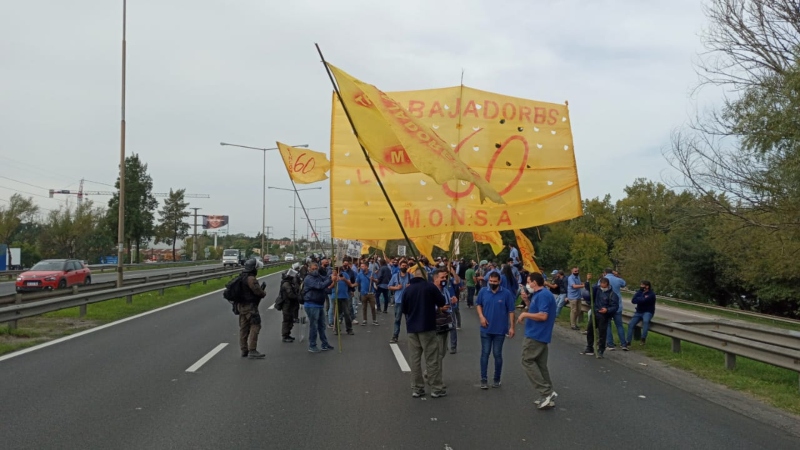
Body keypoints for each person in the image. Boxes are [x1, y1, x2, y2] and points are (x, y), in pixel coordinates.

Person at [402, 264, 448, 398]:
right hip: (427, 326)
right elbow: (441, 302)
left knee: (415, 359)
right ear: (425, 276)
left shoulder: (408, 290)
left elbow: (404, 309)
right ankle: (436, 388)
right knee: (432, 358)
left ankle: (417, 388)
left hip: (412, 328)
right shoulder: (430, 287)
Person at [517, 272, 558, 409]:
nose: (528, 284)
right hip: (539, 334)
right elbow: (536, 310)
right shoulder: (538, 295)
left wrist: (524, 314)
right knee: (540, 365)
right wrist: (527, 301)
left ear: (534, 282)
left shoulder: (544, 295)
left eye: (529, 281)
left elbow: (543, 316)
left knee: (527, 360)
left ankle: (546, 392)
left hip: (536, 335)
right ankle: (547, 395)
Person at [475, 272, 516, 389]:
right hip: (486, 329)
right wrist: (481, 316)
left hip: (500, 330)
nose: (492, 283)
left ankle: (497, 378)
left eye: (495, 281)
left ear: (499, 281)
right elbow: (478, 304)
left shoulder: (506, 294)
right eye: (490, 281)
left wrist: (512, 327)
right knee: (485, 353)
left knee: (497, 354)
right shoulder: (483, 291)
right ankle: (483, 379)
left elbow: (511, 311)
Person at [236, 259, 267, 359]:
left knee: (243, 328)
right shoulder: (251, 279)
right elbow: (258, 291)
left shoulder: (241, 277)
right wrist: (263, 292)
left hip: (241, 306)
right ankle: (252, 350)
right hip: (250, 306)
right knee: (255, 325)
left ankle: (244, 350)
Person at [581, 277, 619, 358]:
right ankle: (589, 347)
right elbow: (588, 288)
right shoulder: (597, 290)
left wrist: (607, 310)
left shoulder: (612, 294)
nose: (601, 286)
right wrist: (588, 280)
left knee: (602, 333)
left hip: (603, 316)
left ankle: (601, 350)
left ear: (607, 284)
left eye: (603, 284)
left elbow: (615, 307)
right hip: (595, 313)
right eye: (600, 284)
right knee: (590, 330)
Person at [302, 261, 335, 353]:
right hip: (311, 304)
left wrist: (332, 276)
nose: (315, 270)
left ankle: (324, 344)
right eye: (313, 269)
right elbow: (319, 286)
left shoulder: (318, 276)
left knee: (322, 326)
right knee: (314, 326)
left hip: (319, 304)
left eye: (316, 269)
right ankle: (312, 345)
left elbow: (325, 279)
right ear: (309, 269)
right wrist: (330, 279)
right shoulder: (308, 278)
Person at [601, 268, 627, 350]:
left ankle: (610, 344)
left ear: (605, 273)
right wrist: (617, 275)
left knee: (608, 325)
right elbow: (624, 283)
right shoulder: (618, 280)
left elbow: (599, 288)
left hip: (607, 306)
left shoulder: (603, 280)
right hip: (618, 306)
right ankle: (623, 344)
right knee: (619, 325)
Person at [434, 268, 459, 355]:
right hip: (437, 320)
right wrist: (439, 308)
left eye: (445, 277)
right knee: (438, 351)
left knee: (452, 328)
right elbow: (428, 305)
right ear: (435, 279)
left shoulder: (445, 290)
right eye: (442, 277)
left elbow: (449, 304)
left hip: (447, 317)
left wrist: (453, 301)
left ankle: (452, 346)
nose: (444, 279)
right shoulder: (432, 291)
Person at [626, 280, 656, 346]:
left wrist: (640, 299)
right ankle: (628, 341)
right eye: (641, 285)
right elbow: (633, 300)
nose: (641, 286)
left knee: (646, 321)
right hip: (639, 311)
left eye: (642, 285)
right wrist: (642, 298)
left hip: (648, 311)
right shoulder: (639, 292)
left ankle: (643, 338)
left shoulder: (651, 294)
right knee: (631, 324)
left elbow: (645, 301)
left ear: (647, 286)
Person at [388, 260, 411, 343]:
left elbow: (416, 288)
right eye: (402, 265)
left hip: (408, 301)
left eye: (405, 265)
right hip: (398, 301)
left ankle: (411, 337)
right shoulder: (395, 276)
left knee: (409, 320)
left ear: (407, 267)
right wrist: (397, 288)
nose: (404, 267)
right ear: (399, 266)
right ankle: (395, 336)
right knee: (397, 319)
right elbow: (389, 286)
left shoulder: (410, 276)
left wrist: (410, 287)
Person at [279, 265, 302, 343]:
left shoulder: (289, 283)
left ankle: (287, 334)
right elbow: (290, 294)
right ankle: (285, 336)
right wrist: (298, 297)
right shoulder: (286, 284)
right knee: (287, 320)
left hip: (290, 304)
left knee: (290, 320)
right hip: (287, 304)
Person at [333, 266, 355, 336]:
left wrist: (344, 279)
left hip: (344, 296)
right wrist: (335, 280)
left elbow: (350, 284)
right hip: (336, 296)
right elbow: (329, 284)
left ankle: (349, 329)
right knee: (336, 314)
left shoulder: (345, 274)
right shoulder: (332, 275)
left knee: (347, 313)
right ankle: (337, 329)